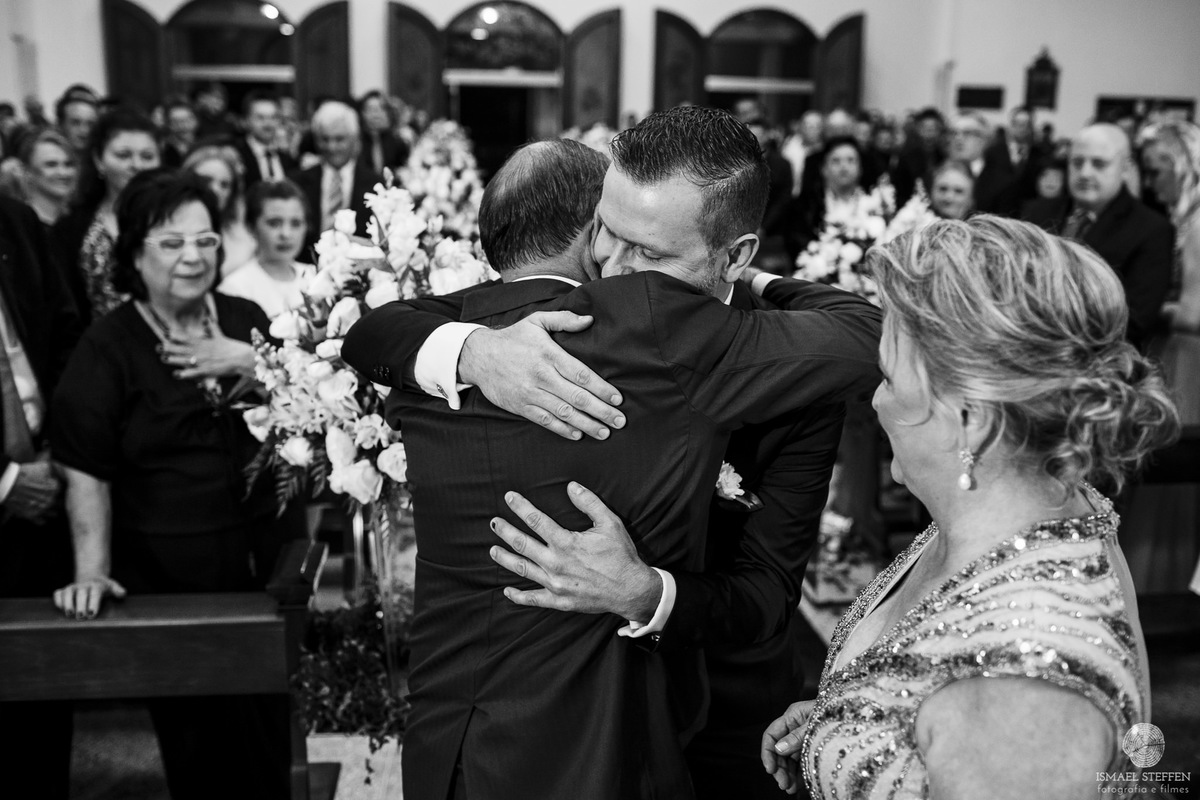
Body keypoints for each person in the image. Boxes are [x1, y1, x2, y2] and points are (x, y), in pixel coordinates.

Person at [343, 112, 880, 800]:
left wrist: (646, 592)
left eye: (650, 255)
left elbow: (765, 595)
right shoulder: (492, 335)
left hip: (727, 713)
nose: (615, 269)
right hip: (596, 740)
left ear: (735, 253)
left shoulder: (762, 357)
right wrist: (476, 350)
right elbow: (378, 333)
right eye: (605, 232)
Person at [762, 215, 1179, 798]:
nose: (876, 401)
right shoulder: (1014, 509)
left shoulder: (1023, 684)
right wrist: (852, 725)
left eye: (888, 377)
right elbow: (929, 685)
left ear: (973, 421)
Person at [50, 169, 296, 800]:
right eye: (171, 242)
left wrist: (251, 360)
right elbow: (85, 468)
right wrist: (91, 568)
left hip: (262, 567)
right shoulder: (107, 347)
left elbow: (308, 400)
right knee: (199, 747)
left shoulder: (244, 318)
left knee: (269, 731)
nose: (194, 256)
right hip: (170, 580)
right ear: (134, 253)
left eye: (207, 240)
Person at [0, 195, 83, 800]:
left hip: (48, 473)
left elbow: (63, 330)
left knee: (45, 691)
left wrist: (61, 447)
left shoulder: (14, 217)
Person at [1121, 120, 1200, 593]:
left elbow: (1195, 308)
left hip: (1189, 358)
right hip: (1179, 352)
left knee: (1173, 468)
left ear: (1179, 165)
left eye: (1156, 172)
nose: (1151, 185)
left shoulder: (1196, 224)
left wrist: (1149, 303)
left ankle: (1163, 581)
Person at [1022, 123, 1175, 352]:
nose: (1085, 173)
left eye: (1099, 164)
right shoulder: (1036, 213)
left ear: (1125, 167)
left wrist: (1052, 341)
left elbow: (1134, 322)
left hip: (1094, 365)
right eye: (1077, 162)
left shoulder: (1152, 230)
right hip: (1021, 354)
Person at [50, 108, 160, 324]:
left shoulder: (177, 220)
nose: (136, 165)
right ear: (99, 160)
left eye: (147, 156)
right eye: (123, 155)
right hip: (97, 348)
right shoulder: (72, 229)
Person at [290, 100, 380, 258]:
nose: (331, 147)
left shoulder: (377, 185)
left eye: (339, 139)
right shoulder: (297, 182)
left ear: (354, 139)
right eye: (325, 139)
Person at [218, 179, 313, 318]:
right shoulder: (235, 288)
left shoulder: (317, 277)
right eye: (274, 223)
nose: (286, 234)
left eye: (296, 223)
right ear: (251, 228)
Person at [786, 136, 866, 261]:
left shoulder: (874, 203)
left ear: (860, 168)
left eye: (851, 160)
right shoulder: (807, 205)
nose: (844, 167)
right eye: (836, 161)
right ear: (824, 169)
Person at [182, 144, 255, 276]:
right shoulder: (167, 229)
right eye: (206, 180)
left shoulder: (245, 240)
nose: (215, 190)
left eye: (224, 185)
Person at [234, 91, 297, 190]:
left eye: (273, 117)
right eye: (260, 118)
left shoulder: (288, 160)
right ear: (246, 120)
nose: (268, 124)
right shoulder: (236, 155)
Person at [16, 128, 77, 226]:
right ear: (28, 171)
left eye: (68, 164)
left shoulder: (80, 222)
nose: (63, 173)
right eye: (51, 165)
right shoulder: (17, 226)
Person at [893, 107, 946, 207]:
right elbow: (899, 191)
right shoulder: (906, 157)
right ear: (918, 129)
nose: (930, 134)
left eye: (934, 129)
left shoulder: (945, 157)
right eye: (925, 129)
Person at [357, 90, 409, 175]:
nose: (376, 114)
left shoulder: (396, 141)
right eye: (371, 109)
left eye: (380, 109)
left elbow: (404, 168)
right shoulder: (356, 142)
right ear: (363, 113)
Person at [159, 96, 198, 169]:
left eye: (187, 120)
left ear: (196, 120)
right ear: (168, 124)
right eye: (176, 122)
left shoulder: (206, 143)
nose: (183, 126)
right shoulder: (164, 152)